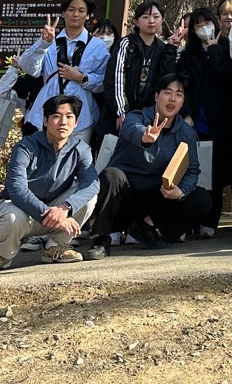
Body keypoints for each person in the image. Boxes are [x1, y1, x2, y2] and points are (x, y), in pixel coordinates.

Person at [82, 75, 210, 255]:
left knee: (202, 198)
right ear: (156, 96)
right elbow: (131, 129)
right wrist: (145, 136)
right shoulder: (136, 117)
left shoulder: (186, 133)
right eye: (167, 92)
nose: (172, 99)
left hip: (157, 195)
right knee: (111, 175)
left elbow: (192, 170)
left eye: (179, 94)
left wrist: (181, 191)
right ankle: (101, 240)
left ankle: (145, 227)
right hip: (124, 196)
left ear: (183, 102)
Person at [0, 94, 100, 273]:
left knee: (89, 198)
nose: (63, 122)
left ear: (76, 122)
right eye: (56, 116)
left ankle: (54, 248)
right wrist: (52, 215)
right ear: (45, 120)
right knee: (12, 218)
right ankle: (3, 255)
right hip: (21, 209)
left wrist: (65, 208)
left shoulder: (81, 149)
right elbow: (17, 189)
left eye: (69, 116)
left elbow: (92, 184)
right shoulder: (26, 147)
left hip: (55, 209)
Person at [17, 0, 111, 147]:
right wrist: (43, 44)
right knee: (43, 155)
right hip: (47, 111)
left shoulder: (97, 46)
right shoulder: (50, 41)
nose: (75, 14)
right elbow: (28, 67)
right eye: (71, 10)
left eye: (81, 11)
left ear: (88, 15)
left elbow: (105, 82)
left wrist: (81, 77)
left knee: (75, 157)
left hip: (81, 116)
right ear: (63, 13)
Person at [178, 7, 232, 238]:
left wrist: (214, 50)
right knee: (196, 173)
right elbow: (182, 86)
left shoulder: (229, 49)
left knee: (218, 175)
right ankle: (191, 220)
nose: (204, 28)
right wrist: (187, 113)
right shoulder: (188, 55)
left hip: (223, 123)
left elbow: (225, 78)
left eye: (207, 22)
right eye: (198, 25)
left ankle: (210, 223)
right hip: (197, 121)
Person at [108, 1, 178, 129]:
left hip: (148, 116)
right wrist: (120, 112)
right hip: (122, 115)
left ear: (162, 20)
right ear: (136, 21)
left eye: (156, 17)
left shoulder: (163, 48)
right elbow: (116, 78)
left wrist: (171, 49)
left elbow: (165, 79)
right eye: (145, 17)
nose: (151, 21)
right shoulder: (126, 44)